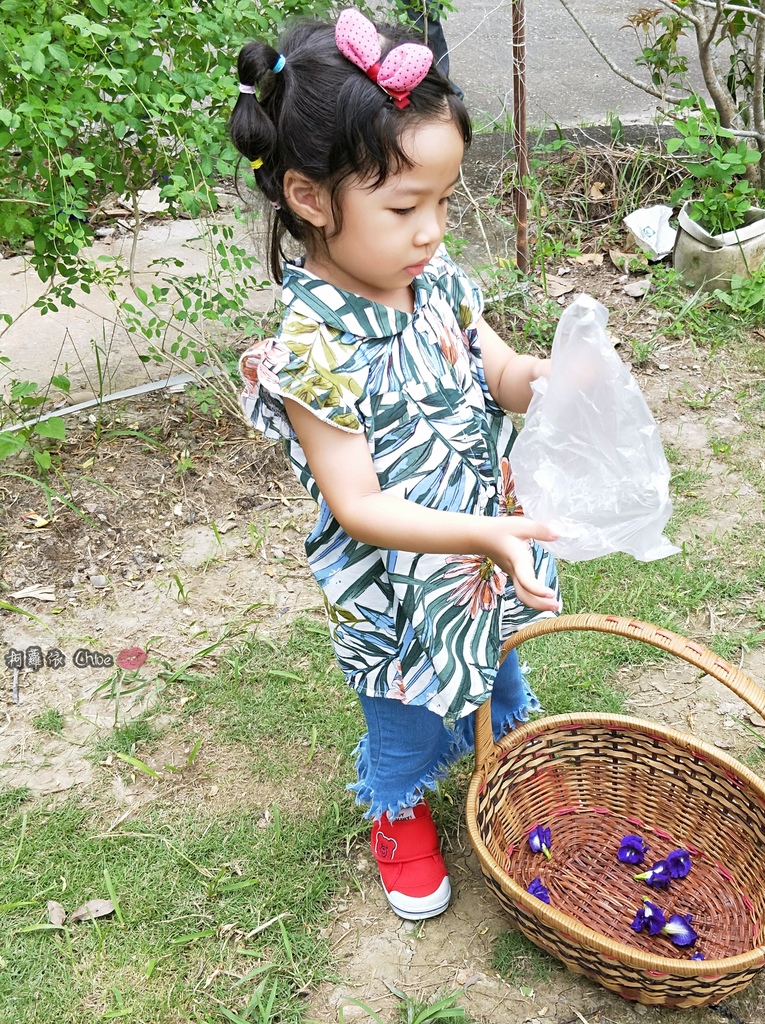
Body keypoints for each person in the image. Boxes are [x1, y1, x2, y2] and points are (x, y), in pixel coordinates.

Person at [229, 8, 560, 922]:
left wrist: (537, 380)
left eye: (444, 202)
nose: (431, 230)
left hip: (480, 543)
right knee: (409, 702)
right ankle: (400, 807)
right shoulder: (312, 351)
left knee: (496, 662)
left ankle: (506, 759)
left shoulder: (435, 277)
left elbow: (486, 358)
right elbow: (360, 503)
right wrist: (485, 534)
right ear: (308, 197)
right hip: (401, 573)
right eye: (406, 207)